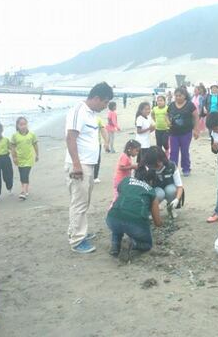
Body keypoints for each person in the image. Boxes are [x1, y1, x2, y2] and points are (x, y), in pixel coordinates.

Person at [65, 82, 113, 254]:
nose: (105, 106)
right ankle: (77, 240)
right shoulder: (79, 111)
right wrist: (77, 165)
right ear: (96, 98)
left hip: (87, 164)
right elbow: (71, 138)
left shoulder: (92, 114)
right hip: (80, 165)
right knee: (79, 202)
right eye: (105, 102)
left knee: (83, 201)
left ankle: (77, 230)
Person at [106, 174, 163, 256]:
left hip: (112, 218)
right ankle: (132, 243)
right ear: (151, 182)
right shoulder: (151, 191)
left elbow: (119, 195)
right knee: (147, 245)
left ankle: (115, 245)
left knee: (119, 219)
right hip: (135, 222)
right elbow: (157, 222)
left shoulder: (126, 180)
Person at [135, 146, 184, 218]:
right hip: (154, 191)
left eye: (160, 161)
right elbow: (139, 190)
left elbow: (179, 186)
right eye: (155, 163)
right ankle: (150, 211)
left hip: (168, 187)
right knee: (159, 193)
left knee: (171, 190)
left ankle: (171, 208)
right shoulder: (143, 169)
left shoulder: (171, 166)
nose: (159, 164)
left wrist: (176, 200)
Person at [167, 87, 199, 177]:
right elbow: (167, 114)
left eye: (179, 96)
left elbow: (196, 117)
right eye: (176, 96)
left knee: (184, 151)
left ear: (184, 96)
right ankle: (173, 169)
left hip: (186, 133)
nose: (177, 97)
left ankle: (186, 168)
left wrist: (196, 130)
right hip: (173, 133)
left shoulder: (190, 105)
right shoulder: (172, 105)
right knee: (173, 152)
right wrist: (168, 122)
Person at [10, 117, 38, 200]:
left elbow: (35, 145)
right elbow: (12, 147)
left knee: (25, 174)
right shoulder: (15, 136)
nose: (23, 126)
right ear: (17, 126)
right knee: (22, 175)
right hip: (20, 159)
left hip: (29, 158)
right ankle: (26, 190)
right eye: (21, 124)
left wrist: (37, 155)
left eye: (25, 124)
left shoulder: (31, 135)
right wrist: (14, 157)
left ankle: (23, 191)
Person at [93, 117, 110, 184]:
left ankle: (95, 177)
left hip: (97, 143)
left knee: (97, 160)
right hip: (85, 145)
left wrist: (106, 142)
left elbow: (103, 130)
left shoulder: (98, 119)